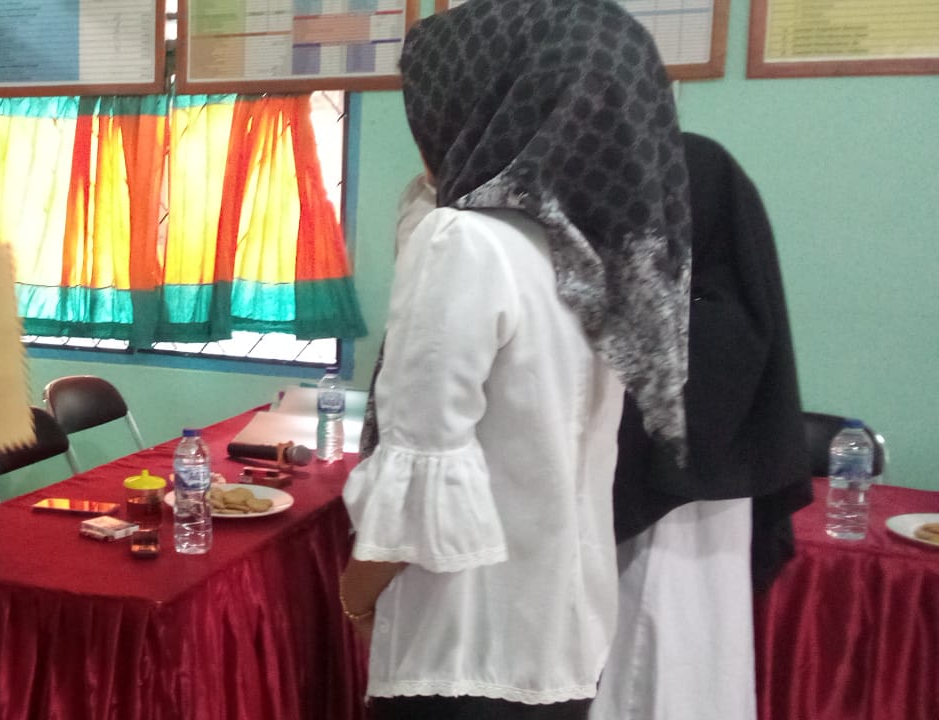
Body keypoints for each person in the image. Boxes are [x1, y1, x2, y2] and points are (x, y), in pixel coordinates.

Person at [339, 0, 692, 718]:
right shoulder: (602, 254)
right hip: (564, 632)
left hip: (462, 643)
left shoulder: (466, 241)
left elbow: (422, 468)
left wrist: (355, 594)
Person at [591, 132, 813, 720]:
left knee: (654, 671)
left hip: (675, 531)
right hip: (681, 527)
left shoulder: (709, 328)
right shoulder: (722, 316)